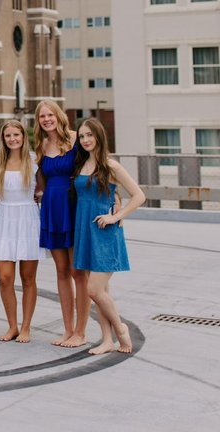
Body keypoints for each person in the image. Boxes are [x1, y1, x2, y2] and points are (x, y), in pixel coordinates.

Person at [73, 118, 145, 355]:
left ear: (99, 137)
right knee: (101, 292)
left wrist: (117, 216)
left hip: (104, 233)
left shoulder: (111, 166)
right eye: (82, 136)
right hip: (84, 231)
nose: (85, 140)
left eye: (89, 135)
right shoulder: (81, 166)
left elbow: (138, 196)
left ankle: (120, 328)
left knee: (94, 290)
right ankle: (107, 340)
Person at [0, 120, 47, 342]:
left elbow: (43, 188)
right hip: (4, 220)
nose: (12, 139)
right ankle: (12, 326)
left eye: (16, 135)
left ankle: (26, 327)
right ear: (3, 139)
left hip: (28, 220)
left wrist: (40, 195)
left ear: (23, 137)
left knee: (28, 278)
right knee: (5, 278)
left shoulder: (34, 160)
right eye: (8, 136)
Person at [34, 99, 88, 347]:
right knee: (62, 271)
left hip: (74, 206)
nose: (46, 119)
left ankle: (81, 331)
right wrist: (39, 192)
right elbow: (40, 179)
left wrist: (115, 199)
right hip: (52, 209)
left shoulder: (77, 139)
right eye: (42, 116)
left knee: (79, 272)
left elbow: (97, 168)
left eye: (49, 115)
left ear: (58, 115)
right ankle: (67, 329)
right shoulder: (41, 145)